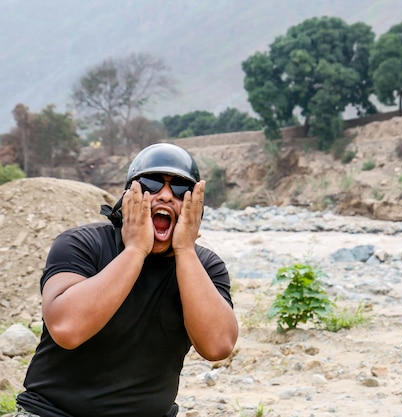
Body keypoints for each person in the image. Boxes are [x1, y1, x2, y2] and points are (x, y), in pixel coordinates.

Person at [13, 143, 239, 417]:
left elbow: (217, 346)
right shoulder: (82, 244)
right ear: (127, 197)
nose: (166, 196)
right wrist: (135, 250)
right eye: (151, 184)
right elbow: (67, 329)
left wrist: (185, 250)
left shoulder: (204, 267)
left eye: (181, 189)